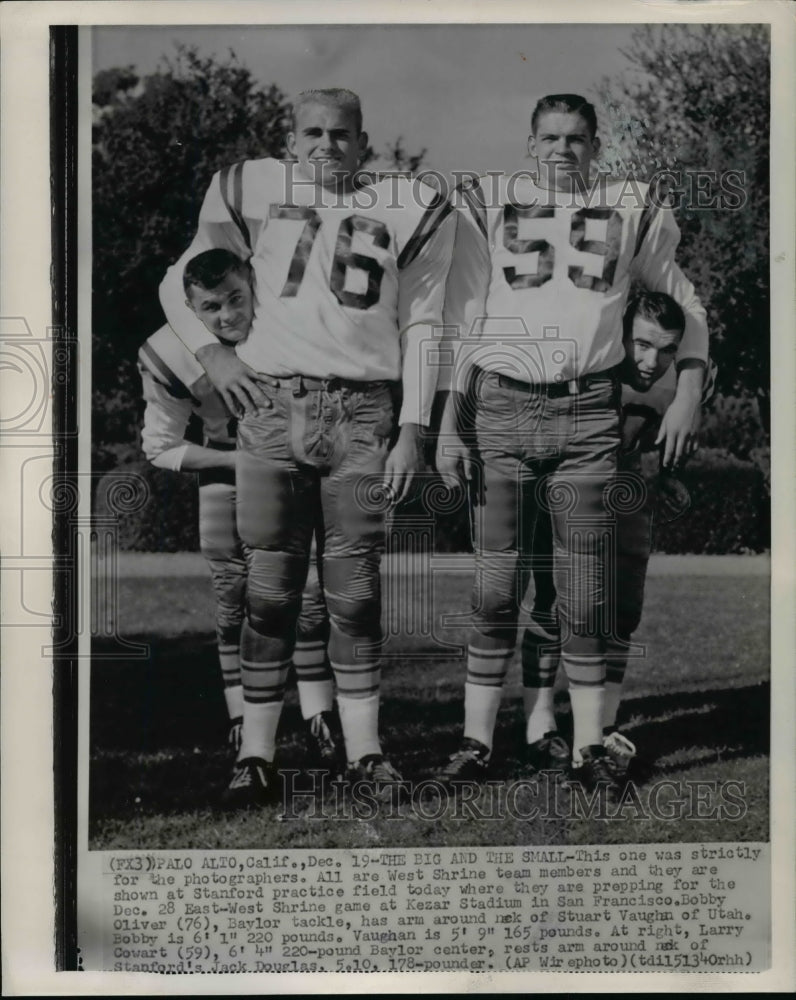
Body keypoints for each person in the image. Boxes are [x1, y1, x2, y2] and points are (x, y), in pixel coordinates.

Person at [159, 89, 455, 806]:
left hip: (362, 412)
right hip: (269, 404)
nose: (327, 145)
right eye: (313, 133)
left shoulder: (410, 203)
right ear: (292, 139)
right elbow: (180, 280)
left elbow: (424, 322)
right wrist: (215, 358)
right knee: (269, 590)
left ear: (364, 140)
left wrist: (415, 427)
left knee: (354, 593)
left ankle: (367, 753)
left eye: (342, 134)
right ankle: (255, 755)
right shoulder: (247, 186)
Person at [435, 94, 709, 791]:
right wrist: (447, 424)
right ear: (530, 144)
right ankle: (476, 741)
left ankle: (588, 747)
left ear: (597, 143)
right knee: (497, 588)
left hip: (587, 410)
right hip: (502, 404)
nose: (564, 150)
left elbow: (689, 304)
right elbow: (463, 320)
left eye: (578, 139)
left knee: (584, 592)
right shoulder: (487, 202)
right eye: (551, 138)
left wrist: (687, 392)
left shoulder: (631, 204)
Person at [139, 248, 339, 769]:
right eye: (211, 307)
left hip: (293, 472)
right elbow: (159, 446)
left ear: (253, 288)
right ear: (190, 310)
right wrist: (241, 460)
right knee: (233, 598)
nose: (228, 315)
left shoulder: (283, 327)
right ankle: (239, 720)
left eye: (236, 299)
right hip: (228, 471)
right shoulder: (171, 352)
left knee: (310, 594)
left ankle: (322, 717)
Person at [520, 291, 718, 782]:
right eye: (643, 345)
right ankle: (539, 723)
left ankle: (603, 725)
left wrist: (672, 472)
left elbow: (675, 435)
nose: (653, 361)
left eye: (667, 349)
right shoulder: (593, 357)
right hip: (573, 478)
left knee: (624, 605)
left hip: (630, 480)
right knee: (553, 596)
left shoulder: (687, 378)